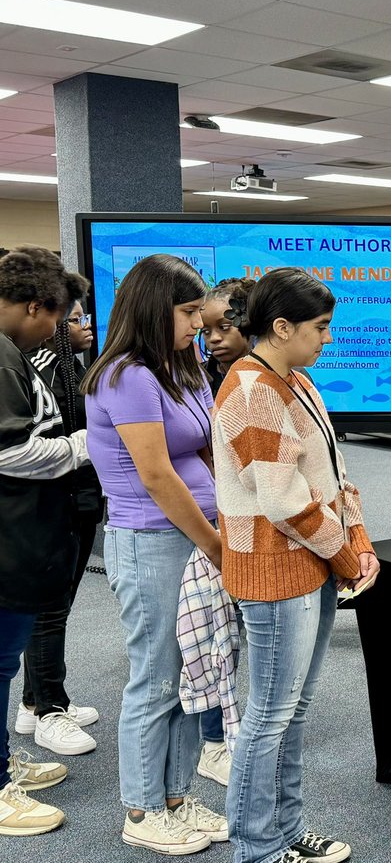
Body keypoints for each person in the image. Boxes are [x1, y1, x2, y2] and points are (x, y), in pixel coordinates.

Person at [212, 268, 378, 863]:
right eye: (321, 328)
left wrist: (355, 541)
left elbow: (330, 474)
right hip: (276, 572)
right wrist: (346, 555)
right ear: (281, 328)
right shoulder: (252, 389)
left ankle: (283, 830)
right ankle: (257, 846)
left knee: (292, 712)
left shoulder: (297, 380)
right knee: (269, 717)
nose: (328, 338)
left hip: (311, 565)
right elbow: (284, 502)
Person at [81, 254, 228, 855]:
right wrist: (217, 546)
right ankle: (141, 811)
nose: (202, 325)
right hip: (152, 541)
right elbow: (157, 476)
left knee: (193, 674)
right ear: (153, 309)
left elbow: (212, 442)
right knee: (158, 678)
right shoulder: (126, 374)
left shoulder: (181, 365)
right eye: (190, 313)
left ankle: (175, 794)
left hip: (196, 536)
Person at [0, 245, 90, 835]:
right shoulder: (2, 360)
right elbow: (11, 452)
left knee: (4, 664)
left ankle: (0, 765)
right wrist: (90, 446)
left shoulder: (14, 354)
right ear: (35, 306)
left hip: (21, 534)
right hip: (8, 540)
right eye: (56, 317)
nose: (60, 329)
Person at [15, 299, 103, 755]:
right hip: (56, 502)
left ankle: (34, 703)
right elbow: (45, 445)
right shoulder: (41, 367)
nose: (84, 326)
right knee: (48, 610)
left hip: (79, 498)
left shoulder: (71, 365)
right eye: (74, 319)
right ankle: (51, 708)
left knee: (57, 607)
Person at [195, 276, 254, 787]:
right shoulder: (199, 377)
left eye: (225, 327)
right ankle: (214, 736)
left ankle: (237, 721)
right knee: (216, 632)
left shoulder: (256, 376)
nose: (212, 337)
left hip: (251, 518)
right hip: (212, 516)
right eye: (206, 328)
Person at [200, 277, 255, 394]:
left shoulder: (285, 374)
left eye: (224, 327)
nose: (214, 338)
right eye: (206, 331)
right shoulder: (197, 379)